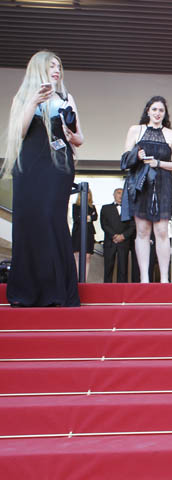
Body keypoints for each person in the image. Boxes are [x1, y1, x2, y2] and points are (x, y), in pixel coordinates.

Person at [4, 51, 83, 307]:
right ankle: (26, 291)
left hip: (58, 164)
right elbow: (19, 132)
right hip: (29, 163)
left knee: (51, 217)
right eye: (51, 66)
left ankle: (57, 290)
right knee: (28, 220)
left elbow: (80, 138)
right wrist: (33, 102)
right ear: (39, 68)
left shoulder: (66, 97)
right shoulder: (24, 96)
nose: (57, 70)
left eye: (59, 65)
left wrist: (71, 135)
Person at [122, 96, 172, 283]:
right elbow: (124, 159)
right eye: (154, 109)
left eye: (161, 110)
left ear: (165, 114)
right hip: (141, 183)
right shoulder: (135, 130)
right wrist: (136, 155)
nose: (157, 113)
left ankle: (164, 279)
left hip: (163, 183)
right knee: (142, 230)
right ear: (147, 110)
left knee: (162, 230)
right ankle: (144, 278)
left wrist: (158, 163)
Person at [100, 188, 136, 283]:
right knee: (108, 269)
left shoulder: (130, 209)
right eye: (118, 193)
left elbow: (133, 226)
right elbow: (104, 224)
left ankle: (122, 293)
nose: (120, 195)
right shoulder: (105, 208)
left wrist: (123, 236)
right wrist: (114, 236)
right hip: (110, 241)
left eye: (123, 193)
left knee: (123, 269)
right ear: (114, 195)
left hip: (124, 242)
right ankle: (107, 293)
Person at [71, 187, 97, 281]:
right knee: (77, 256)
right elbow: (76, 219)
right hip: (78, 233)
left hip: (89, 233)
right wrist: (88, 218)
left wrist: (85, 217)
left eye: (89, 193)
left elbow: (95, 217)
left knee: (87, 256)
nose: (87, 195)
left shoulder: (92, 207)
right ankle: (77, 280)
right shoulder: (75, 206)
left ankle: (84, 280)